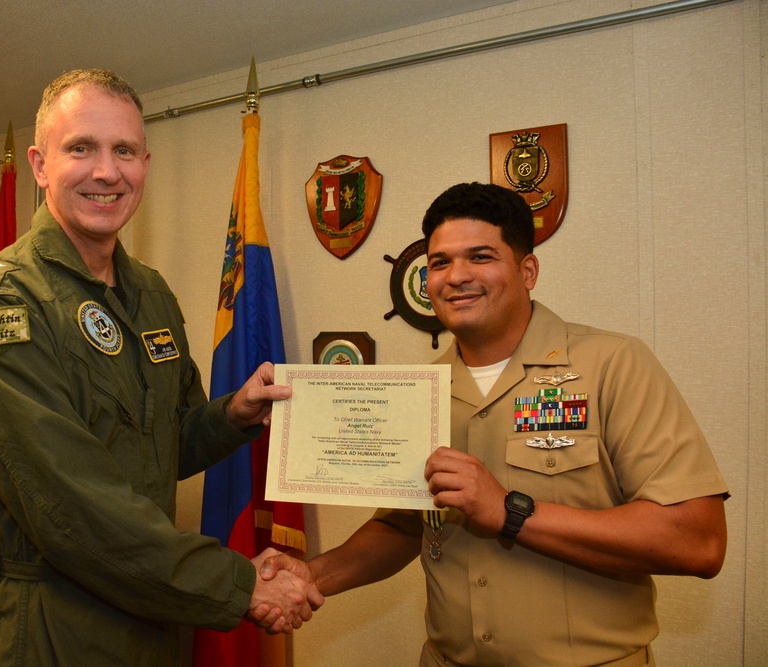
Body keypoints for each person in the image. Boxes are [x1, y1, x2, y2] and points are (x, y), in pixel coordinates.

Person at [0, 68, 321, 666]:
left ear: (144, 164)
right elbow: (70, 507)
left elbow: (162, 445)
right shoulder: (3, 305)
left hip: (151, 615)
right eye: (80, 148)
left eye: (124, 151)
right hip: (50, 629)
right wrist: (241, 585)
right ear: (38, 164)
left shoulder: (149, 293)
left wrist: (233, 416)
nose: (106, 171)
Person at [263, 182, 729, 666]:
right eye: (440, 262)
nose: (455, 276)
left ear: (527, 270)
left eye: (480, 256)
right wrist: (310, 578)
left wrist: (509, 510)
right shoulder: (419, 392)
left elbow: (697, 541)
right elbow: (405, 526)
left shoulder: (612, 363)